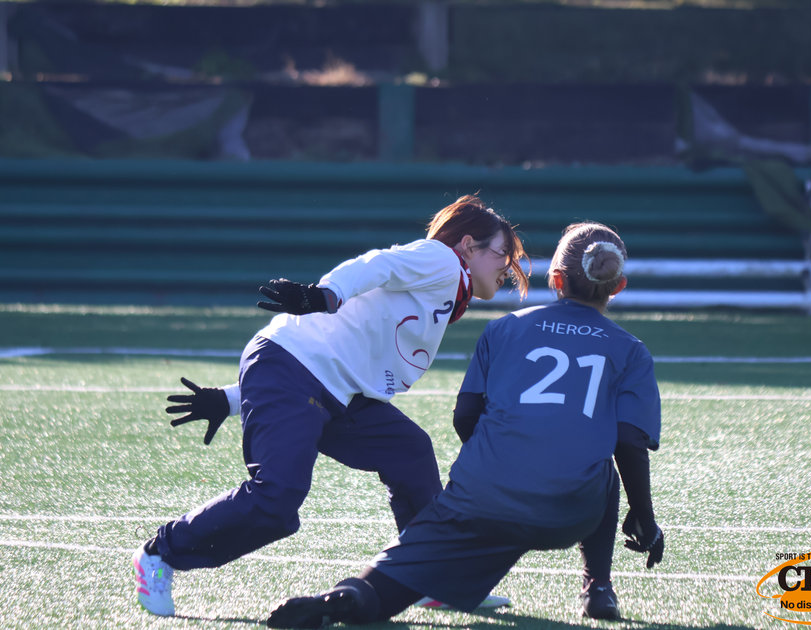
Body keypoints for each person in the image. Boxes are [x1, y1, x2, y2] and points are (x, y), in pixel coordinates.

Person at [133, 195, 529, 617]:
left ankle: (428, 579)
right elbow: (377, 263)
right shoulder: (443, 261)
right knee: (276, 501)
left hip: (329, 389)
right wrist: (325, 295)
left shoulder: (446, 288)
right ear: (467, 246)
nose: (508, 266)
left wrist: (231, 398)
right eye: (502, 253)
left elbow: (342, 351)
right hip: (294, 370)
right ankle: (160, 552)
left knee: (410, 450)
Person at [265, 222, 665, 629]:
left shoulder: (505, 327)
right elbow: (629, 443)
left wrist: (493, 470)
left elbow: (465, 416)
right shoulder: (630, 350)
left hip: (482, 496)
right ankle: (598, 588)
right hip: (570, 510)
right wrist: (645, 521)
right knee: (601, 466)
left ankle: (353, 596)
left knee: (403, 574)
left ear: (557, 279)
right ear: (618, 286)